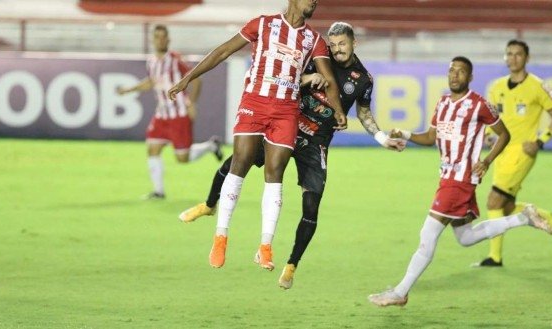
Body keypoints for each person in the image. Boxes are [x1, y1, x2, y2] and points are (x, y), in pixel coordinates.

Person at [177, 22, 405, 288]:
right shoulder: (316, 60)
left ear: (355, 43)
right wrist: (306, 79)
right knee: (236, 162)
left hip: (316, 141)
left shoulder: (363, 79)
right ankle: (208, 205)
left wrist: (381, 137)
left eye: (342, 43)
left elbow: (364, 113)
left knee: (311, 206)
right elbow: (282, 77)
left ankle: (290, 266)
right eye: (333, 44)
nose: (337, 49)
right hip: (288, 126)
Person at [168, 0, 348, 271]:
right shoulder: (263, 24)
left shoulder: (313, 40)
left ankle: (265, 246)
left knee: (275, 173)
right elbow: (223, 51)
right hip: (255, 103)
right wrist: (188, 78)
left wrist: (337, 110)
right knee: (240, 164)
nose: (314, 2)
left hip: (287, 111)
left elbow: (329, 80)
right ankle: (221, 237)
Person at [367, 56, 552, 307]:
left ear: (470, 77)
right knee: (465, 237)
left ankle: (400, 292)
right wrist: (407, 134)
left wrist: (486, 162)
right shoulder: (443, 102)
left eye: (461, 71)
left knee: (428, 233)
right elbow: (431, 136)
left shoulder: (479, 105)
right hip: (447, 177)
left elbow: (504, 134)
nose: (455, 75)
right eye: (451, 70)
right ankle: (523, 217)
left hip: (461, 179)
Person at [476, 39, 552, 267]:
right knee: (506, 207)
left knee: (493, 201)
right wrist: (489, 135)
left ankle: (495, 257)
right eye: (509, 54)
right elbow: (493, 119)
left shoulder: (538, 86)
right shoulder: (496, 86)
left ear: (527, 58)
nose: (513, 58)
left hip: (522, 152)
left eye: (518, 54)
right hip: (502, 152)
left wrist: (540, 141)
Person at [118, 25, 223, 199]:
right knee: (152, 148)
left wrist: (191, 103)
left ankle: (211, 146)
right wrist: (129, 90)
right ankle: (159, 191)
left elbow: (196, 79)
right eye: (157, 36)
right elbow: (151, 82)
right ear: (153, 39)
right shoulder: (151, 61)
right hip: (162, 115)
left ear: (168, 40)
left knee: (182, 158)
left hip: (179, 115)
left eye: (163, 37)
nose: (160, 40)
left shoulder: (174, 59)